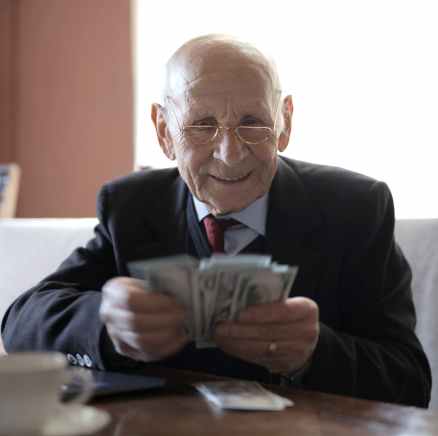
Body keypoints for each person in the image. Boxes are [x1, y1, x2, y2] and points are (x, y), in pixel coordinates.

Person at [1, 34, 431, 407]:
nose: (230, 153)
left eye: (253, 124)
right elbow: (21, 321)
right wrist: (107, 324)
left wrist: (314, 354)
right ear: (164, 131)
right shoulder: (132, 207)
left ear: (284, 124)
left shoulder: (356, 208)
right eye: (202, 125)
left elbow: (410, 381)